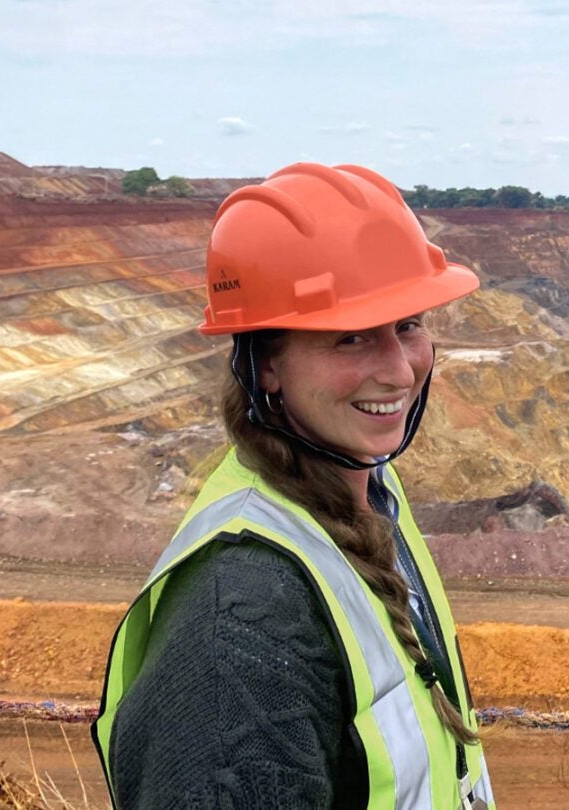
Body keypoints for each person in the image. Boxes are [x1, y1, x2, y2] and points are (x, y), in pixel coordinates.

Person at [92, 162, 494, 809]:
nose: (397, 370)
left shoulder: (371, 497)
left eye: (409, 324)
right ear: (267, 362)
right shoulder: (242, 625)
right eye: (351, 337)